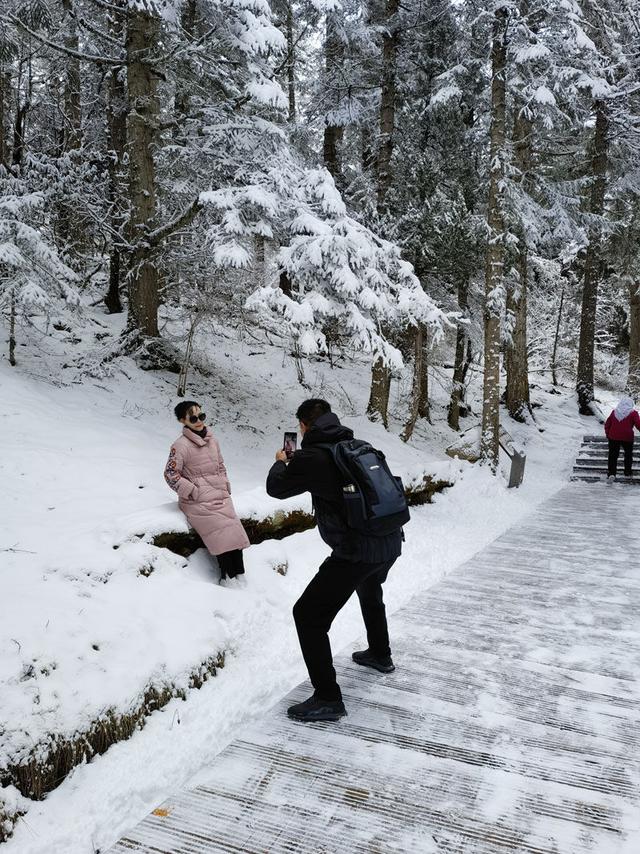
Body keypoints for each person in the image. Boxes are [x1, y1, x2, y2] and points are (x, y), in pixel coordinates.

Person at [266, 399, 403, 723]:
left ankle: (328, 698)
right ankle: (380, 654)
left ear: (303, 426)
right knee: (370, 589)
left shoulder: (312, 456)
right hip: (390, 540)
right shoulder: (359, 445)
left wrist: (280, 461)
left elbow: (276, 488)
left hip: (356, 550)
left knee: (308, 615)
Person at [164, 401, 249, 580]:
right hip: (197, 501)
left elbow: (220, 466)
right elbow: (170, 474)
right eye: (193, 418)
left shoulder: (213, 440)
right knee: (221, 533)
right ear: (182, 420)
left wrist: (225, 484)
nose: (199, 421)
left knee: (233, 531)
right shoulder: (180, 445)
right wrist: (192, 490)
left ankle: (240, 576)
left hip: (220, 496)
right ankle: (228, 578)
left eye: (201, 416)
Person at [604, 396, 640, 483]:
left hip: (613, 436)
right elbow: (638, 425)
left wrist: (608, 434)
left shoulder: (614, 412)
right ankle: (627, 472)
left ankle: (611, 473)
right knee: (628, 455)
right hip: (627, 437)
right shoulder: (633, 413)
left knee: (613, 456)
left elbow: (607, 424)